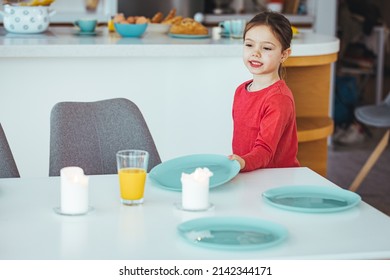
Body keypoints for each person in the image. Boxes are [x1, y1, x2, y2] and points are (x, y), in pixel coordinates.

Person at [228, 11, 300, 172]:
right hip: (250, 174)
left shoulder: (278, 99)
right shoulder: (241, 90)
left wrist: (241, 163)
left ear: (284, 54)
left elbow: (264, 151)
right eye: (249, 45)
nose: (256, 53)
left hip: (275, 179)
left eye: (266, 48)